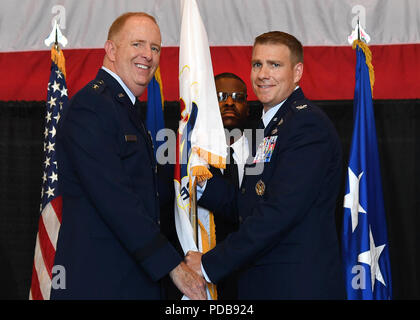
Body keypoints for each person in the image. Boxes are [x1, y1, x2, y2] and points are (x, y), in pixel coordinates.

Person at [52, 12, 206, 300]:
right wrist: (172, 265)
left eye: (155, 48)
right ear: (111, 50)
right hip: (100, 283)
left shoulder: (122, 107)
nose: (147, 55)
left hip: (129, 279)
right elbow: (115, 199)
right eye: (137, 44)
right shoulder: (92, 107)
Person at [185, 31, 345, 299]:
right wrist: (201, 184)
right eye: (257, 64)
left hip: (295, 286)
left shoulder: (306, 125)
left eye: (275, 65)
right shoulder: (268, 126)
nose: (263, 74)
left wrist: (208, 264)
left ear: (297, 72)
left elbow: (279, 212)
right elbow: (250, 201)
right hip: (267, 284)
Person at [212, 72, 250, 299]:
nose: (229, 102)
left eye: (237, 97)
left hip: (254, 276)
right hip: (206, 279)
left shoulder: (266, 154)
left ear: (247, 106)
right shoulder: (190, 160)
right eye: (220, 96)